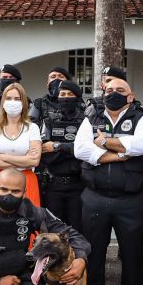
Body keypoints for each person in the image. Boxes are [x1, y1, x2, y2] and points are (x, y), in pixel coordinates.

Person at [73, 70, 143, 285]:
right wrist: (121, 151)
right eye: (109, 91)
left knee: (132, 253)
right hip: (95, 197)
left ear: (131, 97)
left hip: (132, 200)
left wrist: (104, 142)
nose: (114, 94)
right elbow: (80, 149)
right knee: (94, 252)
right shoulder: (91, 117)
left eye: (120, 91)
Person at [38, 78, 88, 234]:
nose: (65, 97)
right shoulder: (49, 121)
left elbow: (85, 151)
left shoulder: (86, 121)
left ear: (77, 97)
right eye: (62, 94)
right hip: (54, 185)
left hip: (79, 185)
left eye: (69, 94)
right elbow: (45, 154)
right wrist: (71, 151)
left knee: (77, 229)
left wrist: (58, 147)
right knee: (54, 231)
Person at [0, 81, 42, 207]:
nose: (13, 102)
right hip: (1, 182)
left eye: (17, 99)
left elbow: (34, 161)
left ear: (24, 103)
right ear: (3, 102)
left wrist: (3, 156)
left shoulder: (32, 128)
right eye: (9, 98)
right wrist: (23, 159)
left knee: (27, 221)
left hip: (27, 181)